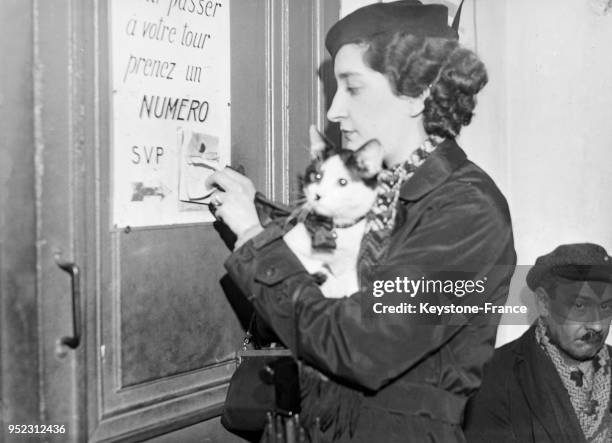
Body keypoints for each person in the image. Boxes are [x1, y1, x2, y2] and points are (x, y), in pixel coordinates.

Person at [208, 1, 516, 441]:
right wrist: (260, 217)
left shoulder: (469, 210)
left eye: (352, 87)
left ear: (420, 92)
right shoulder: (384, 192)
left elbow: (358, 348)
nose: (333, 110)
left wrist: (255, 239)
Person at [464, 243, 612, 443]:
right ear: (543, 302)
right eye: (580, 305)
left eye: (605, 307)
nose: (596, 325)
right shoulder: (494, 375)